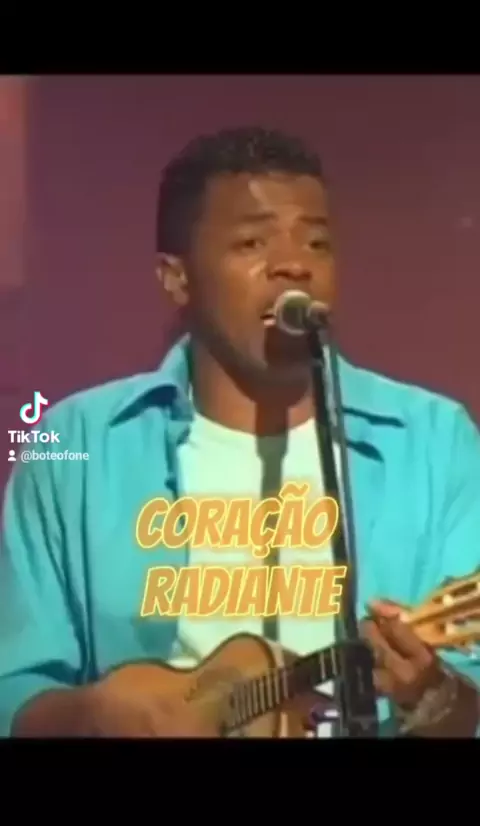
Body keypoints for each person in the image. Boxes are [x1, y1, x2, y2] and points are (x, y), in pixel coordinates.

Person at [1, 126, 479, 738]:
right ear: (176, 277)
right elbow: (13, 686)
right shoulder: (76, 444)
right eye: (253, 241)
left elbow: (470, 705)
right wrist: (96, 715)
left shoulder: (433, 442)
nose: (294, 264)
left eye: (317, 242)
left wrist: (434, 695)